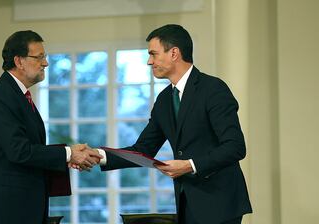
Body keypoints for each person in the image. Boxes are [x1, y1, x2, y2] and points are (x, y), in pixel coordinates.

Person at [98, 24, 252, 224]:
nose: (149, 61)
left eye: (153, 54)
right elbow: (143, 149)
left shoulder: (213, 89)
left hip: (220, 204)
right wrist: (98, 156)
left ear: (174, 53)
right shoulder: (164, 100)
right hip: (186, 204)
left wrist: (189, 165)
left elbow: (235, 147)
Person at [0, 30, 102, 224]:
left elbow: (27, 148)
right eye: (39, 57)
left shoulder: (17, 95)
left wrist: (67, 156)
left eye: (44, 57)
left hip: (21, 206)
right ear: (19, 61)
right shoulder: (1, 96)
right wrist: (68, 154)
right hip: (6, 211)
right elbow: (19, 151)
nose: (46, 63)